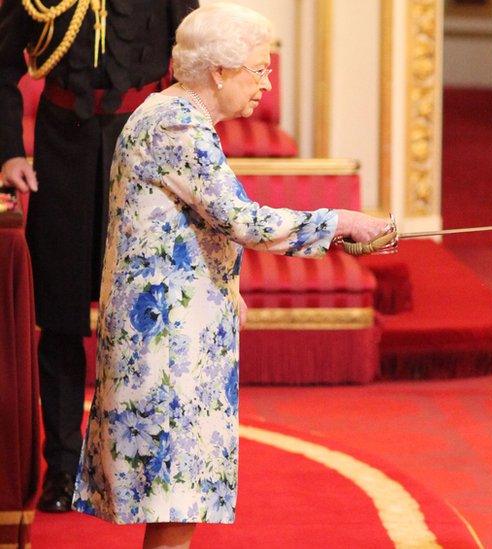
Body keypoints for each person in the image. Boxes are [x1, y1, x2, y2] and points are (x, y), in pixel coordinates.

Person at [68, 3, 390, 548]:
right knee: (175, 492)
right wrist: (341, 221)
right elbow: (245, 220)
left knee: (179, 496)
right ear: (219, 71)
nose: (266, 84)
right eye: (258, 70)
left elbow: (196, 221)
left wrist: (227, 283)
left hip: (177, 329)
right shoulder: (176, 124)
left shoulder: (178, 114)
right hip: (164, 341)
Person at [0, 0, 198, 513]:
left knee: (142, 315)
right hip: (61, 147)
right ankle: (63, 467)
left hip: (142, 145)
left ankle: (139, 464)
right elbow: (2, 62)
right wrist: (8, 152)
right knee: (61, 315)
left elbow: (195, 65)